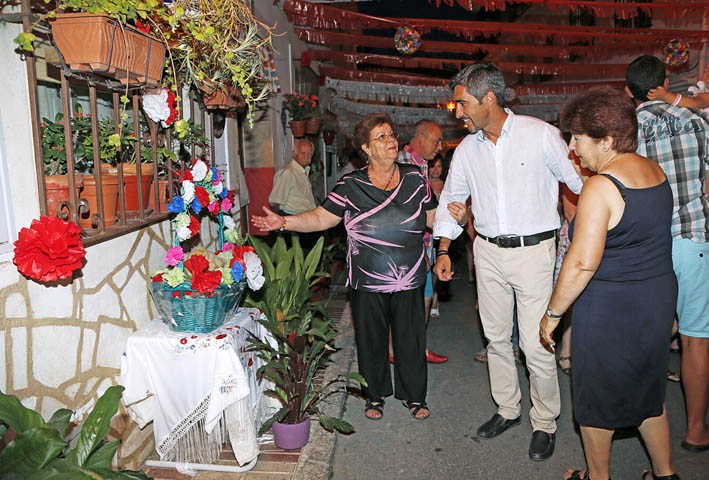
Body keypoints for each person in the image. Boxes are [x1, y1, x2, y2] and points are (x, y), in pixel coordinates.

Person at [252, 113, 466, 422]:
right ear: (365, 148)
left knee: (411, 338)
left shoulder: (415, 178)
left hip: (408, 276)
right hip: (367, 278)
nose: (391, 140)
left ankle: (414, 395)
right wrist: (284, 221)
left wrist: (455, 218)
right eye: (381, 137)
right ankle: (375, 394)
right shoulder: (351, 184)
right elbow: (321, 217)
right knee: (371, 339)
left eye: (391, 134)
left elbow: (434, 218)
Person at [433, 63, 583, 462]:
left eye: (462, 103)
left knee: (536, 344)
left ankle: (545, 422)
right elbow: (452, 201)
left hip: (535, 253)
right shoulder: (467, 149)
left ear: (489, 99)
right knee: (496, 339)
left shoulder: (541, 136)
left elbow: (581, 181)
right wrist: (444, 248)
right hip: (487, 251)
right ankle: (507, 409)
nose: (457, 112)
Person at [540, 85, 678, 480]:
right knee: (648, 390)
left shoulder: (602, 186)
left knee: (595, 398)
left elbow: (582, 263)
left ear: (607, 140)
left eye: (578, 138)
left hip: (612, 308)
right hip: (655, 299)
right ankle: (665, 474)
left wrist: (551, 315)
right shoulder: (655, 171)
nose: (571, 147)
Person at [626, 55, 709, 456]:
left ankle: (647, 431)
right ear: (665, 81)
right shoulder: (699, 122)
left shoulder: (627, 132)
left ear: (629, 92)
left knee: (647, 339)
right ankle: (696, 431)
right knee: (695, 339)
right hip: (694, 238)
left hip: (648, 245)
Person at [397, 119, 448, 364]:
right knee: (401, 304)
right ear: (420, 137)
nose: (440, 145)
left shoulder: (422, 164)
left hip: (425, 245)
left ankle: (419, 347)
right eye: (436, 140)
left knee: (425, 300)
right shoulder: (399, 162)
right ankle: (395, 350)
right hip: (405, 249)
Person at [268, 139, 316, 216]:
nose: (307, 156)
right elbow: (273, 203)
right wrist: (283, 220)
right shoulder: (287, 173)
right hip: (292, 219)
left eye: (310, 153)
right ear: (294, 154)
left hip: (304, 219)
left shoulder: (304, 172)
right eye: (303, 153)